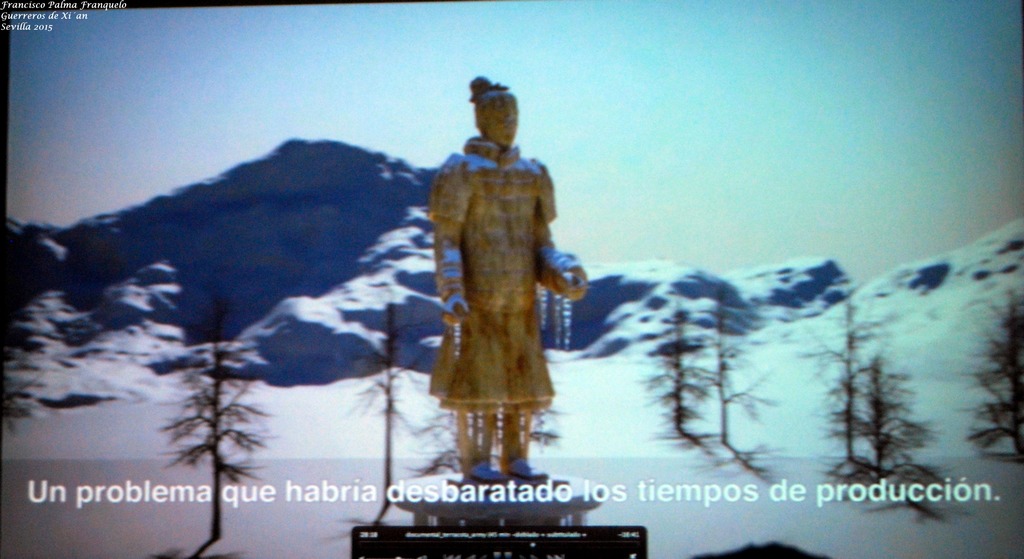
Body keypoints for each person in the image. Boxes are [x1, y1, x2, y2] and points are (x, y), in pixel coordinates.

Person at [429, 77, 587, 483]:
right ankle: (477, 461)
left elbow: (541, 244)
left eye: (513, 115)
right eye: (500, 116)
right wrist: (451, 290)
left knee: (521, 385)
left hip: (521, 301)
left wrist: (562, 272)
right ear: (481, 119)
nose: (509, 123)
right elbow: (447, 240)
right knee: (479, 387)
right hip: (478, 301)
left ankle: (516, 458)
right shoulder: (461, 171)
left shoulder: (532, 174)